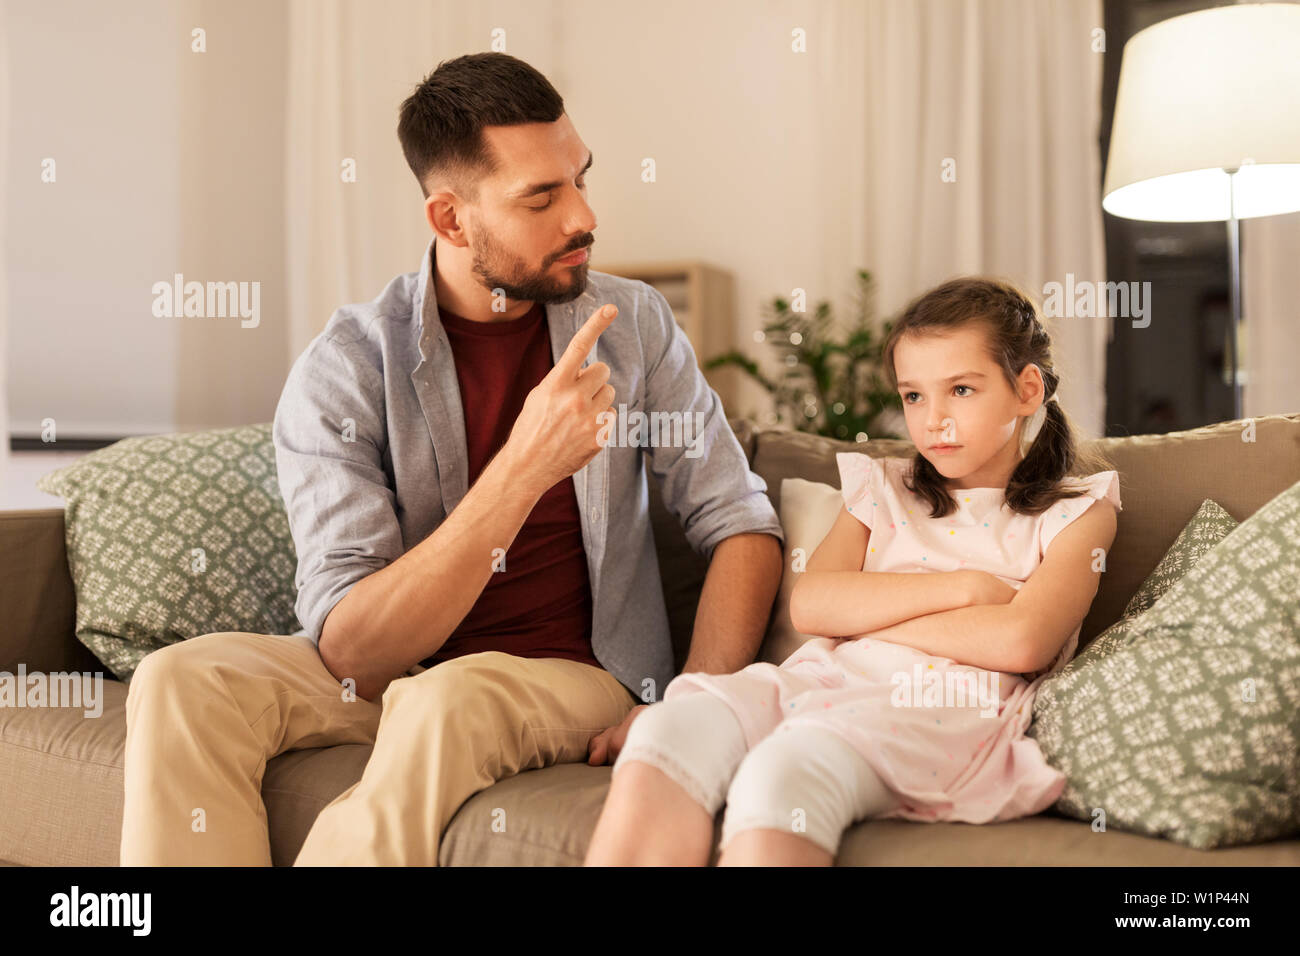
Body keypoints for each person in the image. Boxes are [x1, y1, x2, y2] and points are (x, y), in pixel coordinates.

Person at [118, 52, 783, 866]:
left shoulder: (633, 326)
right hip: (398, 671)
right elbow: (354, 651)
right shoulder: (350, 365)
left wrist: (689, 710)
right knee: (184, 680)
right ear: (449, 219)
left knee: (446, 698)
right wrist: (524, 467)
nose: (583, 215)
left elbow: (741, 523)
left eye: (579, 178)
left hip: (574, 674)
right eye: (542, 196)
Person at [586, 276, 1121, 866]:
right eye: (914, 396)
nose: (933, 419)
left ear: (1027, 389)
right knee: (670, 727)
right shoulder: (883, 487)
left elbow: (1022, 640)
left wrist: (865, 615)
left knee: (786, 768)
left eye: (961, 390)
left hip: (942, 709)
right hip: (825, 680)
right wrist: (967, 591)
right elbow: (812, 605)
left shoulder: (1078, 509)